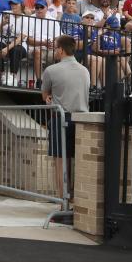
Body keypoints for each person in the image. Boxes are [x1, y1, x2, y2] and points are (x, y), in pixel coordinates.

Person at [41, 35, 89, 206]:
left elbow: (45, 95)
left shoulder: (51, 70)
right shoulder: (85, 70)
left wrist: (49, 100)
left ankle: (64, 202)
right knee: (79, 161)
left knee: (61, 161)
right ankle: (77, 200)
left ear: (61, 50)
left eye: (56, 48)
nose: (55, 51)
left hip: (61, 117)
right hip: (83, 120)